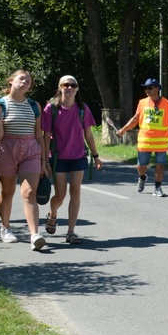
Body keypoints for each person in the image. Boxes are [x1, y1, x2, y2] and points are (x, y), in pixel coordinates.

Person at [41, 75, 103, 244]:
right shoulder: (50, 108)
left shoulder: (83, 109)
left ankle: (71, 232)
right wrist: (45, 161)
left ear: (77, 89)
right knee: (60, 196)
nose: (69, 87)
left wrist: (96, 156)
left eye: (72, 85)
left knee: (75, 192)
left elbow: (88, 134)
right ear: (60, 87)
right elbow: (46, 137)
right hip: (58, 158)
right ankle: (52, 214)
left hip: (78, 156)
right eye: (65, 84)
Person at [0, 70, 48, 250]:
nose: (26, 82)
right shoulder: (0, 104)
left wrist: (44, 161)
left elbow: (39, 135)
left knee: (29, 193)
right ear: (11, 81)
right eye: (22, 78)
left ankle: (35, 235)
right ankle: (5, 228)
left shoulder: (34, 105)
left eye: (29, 80)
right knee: (7, 192)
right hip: (6, 147)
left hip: (31, 150)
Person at [115, 78, 168, 197]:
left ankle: (158, 187)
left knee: (160, 165)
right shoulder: (142, 103)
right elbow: (135, 119)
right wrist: (123, 129)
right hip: (145, 140)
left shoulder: (167, 104)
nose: (147, 90)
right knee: (141, 166)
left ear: (157, 89)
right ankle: (142, 177)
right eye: (145, 88)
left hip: (161, 141)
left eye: (149, 88)